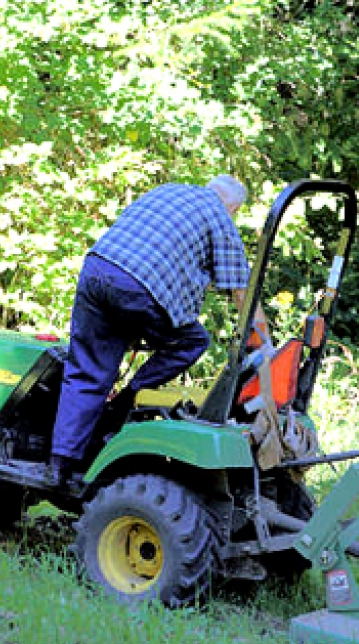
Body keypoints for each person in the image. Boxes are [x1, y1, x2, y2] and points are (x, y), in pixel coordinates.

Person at [48, 175, 263, 485]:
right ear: (233, 207)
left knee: (87, 371)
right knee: (192, 340)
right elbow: (243, 295)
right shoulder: (219, 216)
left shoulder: (169, 190)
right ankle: (125, 402)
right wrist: (265, 346)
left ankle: (59, 466)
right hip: (139, 286)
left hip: (97, 269)